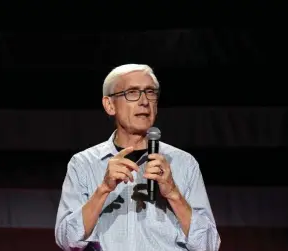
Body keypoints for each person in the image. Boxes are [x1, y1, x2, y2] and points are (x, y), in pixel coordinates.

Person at [54, 64, 221, 251]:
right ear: (110, 105)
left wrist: (173, 194)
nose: (144, 101)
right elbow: (67, 240)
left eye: (150, 92)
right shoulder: (83, 164)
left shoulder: (184, 163)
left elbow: (209, 245)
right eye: (132, 93)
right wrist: (103, 190)